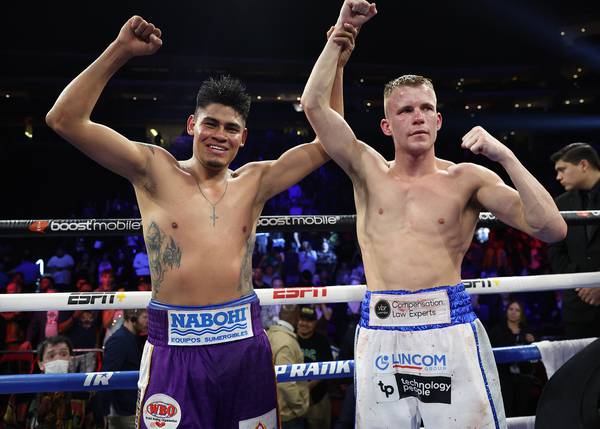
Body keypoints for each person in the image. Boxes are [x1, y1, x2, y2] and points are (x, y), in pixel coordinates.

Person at [46, 15, 357, 428]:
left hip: (243, 343)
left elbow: (330, 141)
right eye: (210, 123)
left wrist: (337, 59)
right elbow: (64, 119)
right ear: (192, 124)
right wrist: (120, 50)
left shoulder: (255, 181)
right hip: (175, 346)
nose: (219, 135)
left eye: (231, 128)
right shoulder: (154, 169)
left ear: (243, 137)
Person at [301, 1, 567, 427]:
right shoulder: (367, 170)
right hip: (383, 329)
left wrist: (506, 156)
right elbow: (314, 105)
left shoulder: (467, 178)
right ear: (387, 125)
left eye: (426, 109)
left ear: (439, 120)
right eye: (405, 111)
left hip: (448, 328)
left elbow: (551, 228)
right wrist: (340, 35)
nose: (418, 118)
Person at [549, 142, 600, 338]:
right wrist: (582, 282)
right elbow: (555, 251)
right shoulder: (560, 203)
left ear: (583, 165)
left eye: (562, 169)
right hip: (578, 306)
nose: (558, 177)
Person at [100, 309, 148, 429]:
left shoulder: (134, 338)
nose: (149, 322)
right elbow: (107, 377)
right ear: (132, 317)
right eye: (145, 317)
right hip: (124, 412)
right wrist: (103, 411)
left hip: (133, 408)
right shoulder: (119, 341)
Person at [488, 301, 538, 417]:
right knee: (506, 409)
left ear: (522, 313)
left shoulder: (527, 331)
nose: (513, 312)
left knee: (523, 409)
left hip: (524, 376)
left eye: (517, 310)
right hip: (503, 376)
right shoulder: (496, 331)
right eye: (511, 309)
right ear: (506, 311)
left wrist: (532, 341)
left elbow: (536, 355)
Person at [26, 335, 88, 428]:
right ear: (41, 364)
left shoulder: (82, 392)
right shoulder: (29, 392)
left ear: (71, 359)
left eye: (63, 354)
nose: (58, 359)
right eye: (51, 356)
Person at [267, 305, 309, 429]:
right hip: (287, 415)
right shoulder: (286, 343)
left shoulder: (270, 335)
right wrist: (300, 407)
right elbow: (285, 382)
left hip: (275, 409)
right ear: (296, 318)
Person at [296, 306, 333, 429]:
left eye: (309, 321)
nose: (304, 323)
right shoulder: (291, 338)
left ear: (315, 323)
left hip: (317, 397)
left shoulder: (322, 341)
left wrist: (308, 385)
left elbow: (328, 367)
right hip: (292, 397)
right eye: (302, 319)